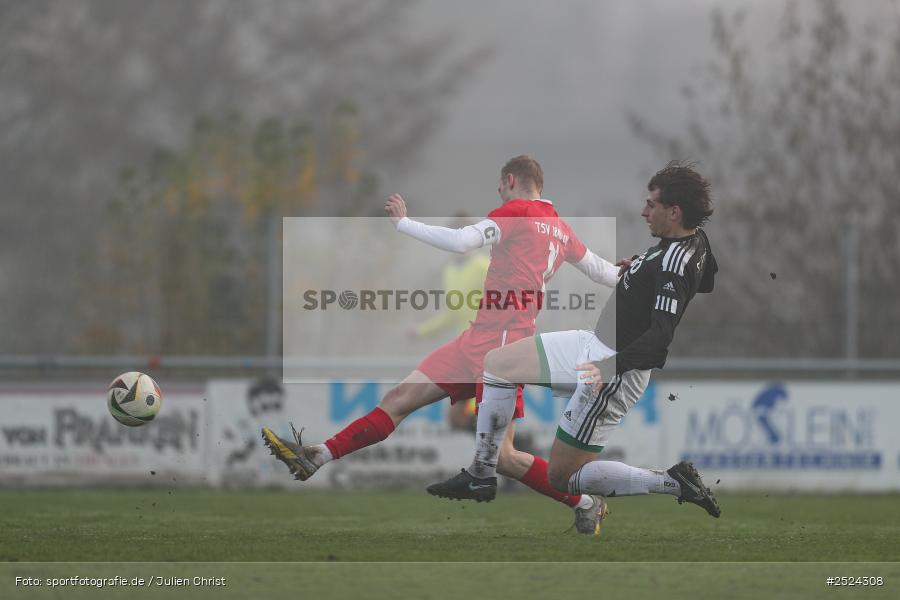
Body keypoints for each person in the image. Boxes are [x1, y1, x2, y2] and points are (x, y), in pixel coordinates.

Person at [262, 155, 622, 534]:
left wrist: (403, 224)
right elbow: (603, 272)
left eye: (500, 187)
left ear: (511, 179)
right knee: (400, 399)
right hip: (477, 338)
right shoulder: (561, 229)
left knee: (503, 457)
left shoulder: (516, 210)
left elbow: (462, 241)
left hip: (504, 347)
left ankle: (584, 501)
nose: (499, 195)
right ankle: (317, 456)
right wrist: (639, 274)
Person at [427, 160, 721, 534]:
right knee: (497, 364)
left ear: (674, 211)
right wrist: (641, 273)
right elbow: (707, 279)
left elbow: (659, 341)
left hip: (613, 369)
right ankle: (482, 474)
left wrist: (608, 369)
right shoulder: (689, 245)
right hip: (592, 345)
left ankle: (673, 482)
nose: (643, 211)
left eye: (651, 204)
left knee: (563, 477)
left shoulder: (674, 263)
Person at [409, 211, 490, 431]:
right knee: (457, 418)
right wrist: (422, 331)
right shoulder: (450, 271)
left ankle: (504, 456)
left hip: (487, 348)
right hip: (464, 349)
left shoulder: (484, 266)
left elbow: (506, 300)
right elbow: (452, 313)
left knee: (476, 415)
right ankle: (503, 455)